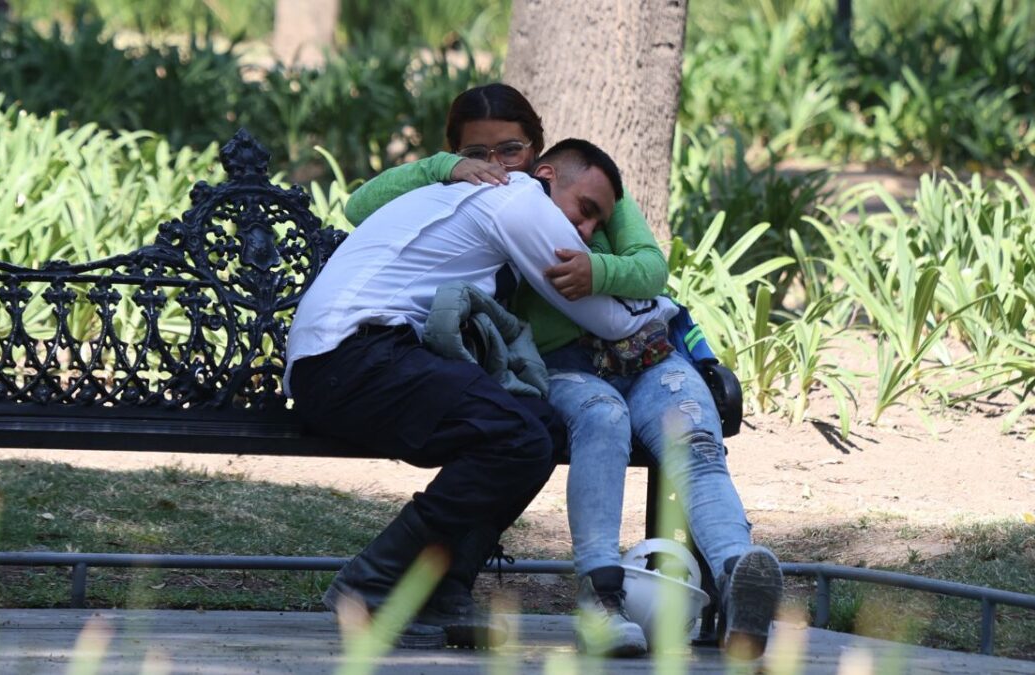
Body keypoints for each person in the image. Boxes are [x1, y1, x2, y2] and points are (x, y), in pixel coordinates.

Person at [343, 83, 783, 660]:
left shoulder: (584, 185)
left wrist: (598, 270)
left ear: (539, 154)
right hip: (562, 366)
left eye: (511, 150)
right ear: (456, 154)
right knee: (601, 420)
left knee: (695, 442)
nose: (496, 165)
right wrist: (446, 169)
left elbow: (650, 267)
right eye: (478, 152)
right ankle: (600, 600)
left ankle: (736, 579)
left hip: (648, 356)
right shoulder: (474, 196)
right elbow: (357, 207)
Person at [286, 138, 670, 650]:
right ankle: (371, 583)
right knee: (516, 437)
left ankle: (444, 587)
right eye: (586, 209)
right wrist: (666, 309)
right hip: (348, 357)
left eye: (599, 223)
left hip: (357, 359)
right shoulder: (521, 202)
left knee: (542, 427)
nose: (586, 232)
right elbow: (609, 319)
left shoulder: (496, 197)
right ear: (549, 174)